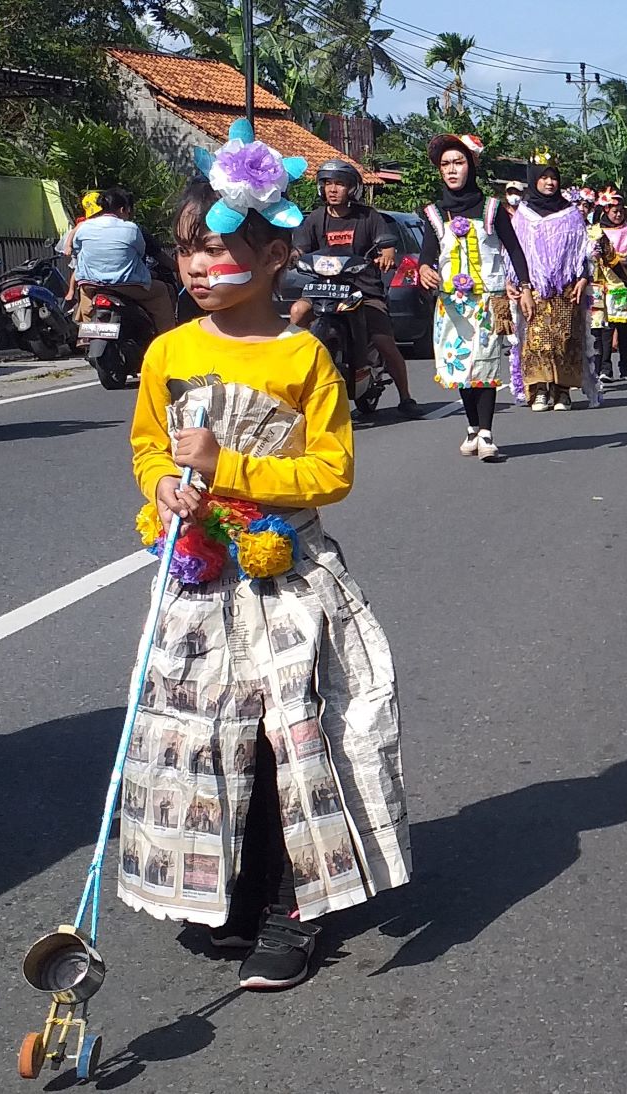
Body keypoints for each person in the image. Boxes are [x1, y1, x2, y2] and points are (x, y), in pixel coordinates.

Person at [123, 138, 409, 992]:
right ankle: (235, 892)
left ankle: (294, 907)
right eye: (187, 248)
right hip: (197, 573)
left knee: (292, 734)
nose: (201, 264)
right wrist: (166, 490)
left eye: (218, 246)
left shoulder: (302, 355)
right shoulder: (167, 353)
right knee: (209, 736)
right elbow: (146, 448)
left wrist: (225, 467)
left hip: (288, 574)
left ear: (275, 254)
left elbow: (332, 473)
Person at [418, 133, 526, 459]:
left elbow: (515, 250)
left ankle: (488, 434)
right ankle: (472, 427)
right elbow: (426, 254)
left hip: (490, 300)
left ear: (471, 167)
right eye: (445, 164)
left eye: (458, 162)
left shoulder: (493, 208)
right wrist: (424, 269)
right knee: (461, 367)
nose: (452, 170)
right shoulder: (434, 213)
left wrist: (525, 285)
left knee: (487, 365)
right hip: (451, 303)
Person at [290, 160, 417, 416]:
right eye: (327, 183)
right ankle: (297, 372)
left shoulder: (368, 216)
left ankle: (406, 398)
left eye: (339, 183)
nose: (332, 189)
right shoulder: (315, 218)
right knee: (297, 312)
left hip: (363, 289)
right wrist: (292, 256)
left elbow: (387, 244)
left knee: (384, 341)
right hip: (323, 287)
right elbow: (300, 247)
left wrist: (387, 255)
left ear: (352, 188)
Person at [508, 160, 593, 412]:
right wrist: (513, 282)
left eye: (553, 178)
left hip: (566, 290)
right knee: (537, 339)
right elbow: (513, 252)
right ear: (534, 180)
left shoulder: (571, 214)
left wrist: (583, 279)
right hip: (533, 289)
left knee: (565, 339)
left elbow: (583, 251)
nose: (549, 182)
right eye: (543, 177)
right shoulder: (523, 214)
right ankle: (540, 390)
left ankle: (563, 391)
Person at [69, 187, 178, 334]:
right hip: (126, 284)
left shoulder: (84, 227)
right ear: (122, 209)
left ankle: (87, 335)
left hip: (90, 284)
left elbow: (77, 251)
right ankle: (167, 340)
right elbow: (139, 252)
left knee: (85, 299)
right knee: (162, 292)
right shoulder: (132, 228)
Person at [592, 188, 627, 380]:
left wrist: (624, 261)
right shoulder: (596, 232)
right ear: (605, 210)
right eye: (614, 211)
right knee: (605, 329)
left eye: (621, 210)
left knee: (625, 330)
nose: (618, 214)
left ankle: (625, 368)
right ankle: (605, 368)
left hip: (626, 286)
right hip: (603, 287)